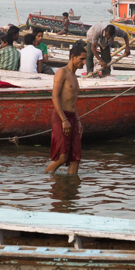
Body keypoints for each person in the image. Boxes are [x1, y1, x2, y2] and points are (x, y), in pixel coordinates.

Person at [46, 42, 87, 175]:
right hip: (60, 116)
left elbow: (73, 103)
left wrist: (78, 121)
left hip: (72, 118)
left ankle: (71, 188)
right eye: (82, 59)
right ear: (73, 57)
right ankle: (45, 178)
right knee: (62, 157)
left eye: (85, 59)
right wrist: (64, 120)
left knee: (76, 158)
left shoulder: (75, 77)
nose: (84, 62)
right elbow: (55, 97)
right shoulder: (61, 72)